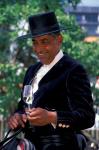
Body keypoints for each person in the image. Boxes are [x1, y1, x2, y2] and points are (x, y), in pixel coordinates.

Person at [8, 11, 95, 150]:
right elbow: (23, 107)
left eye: (45, 41)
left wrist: (52, 117)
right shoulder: (31, 70)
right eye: (35, 42)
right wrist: (18, 117)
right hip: (30, 145)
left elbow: (87, 117)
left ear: (59, 40)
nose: (39, 49)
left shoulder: (73, 70)